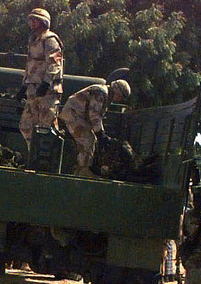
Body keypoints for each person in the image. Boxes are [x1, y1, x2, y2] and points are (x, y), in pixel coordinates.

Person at [58, 80, 130, 175]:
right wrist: (100, 134)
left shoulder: (105, 95)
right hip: (73, 115)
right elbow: (94, 115)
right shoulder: (101, 93)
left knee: (92, 140)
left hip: (79, 116)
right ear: (117, 91)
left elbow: (96, 116)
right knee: (88, 140)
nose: (119, 99)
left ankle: (82, 168)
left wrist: (101, 134)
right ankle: (83, 170)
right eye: (120, 96)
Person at [17, 7, 64, 148]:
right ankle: (34, 154)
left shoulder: (50, 39)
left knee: (48, 128)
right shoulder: (33, 40)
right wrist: (24, 86)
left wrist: (46, 83)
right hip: (33, 89)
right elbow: (30, 65)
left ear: (43, 22)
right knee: (25, 125)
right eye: (31, 20)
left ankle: (50, 159)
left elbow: (56, 63)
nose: (31, 23)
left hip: (47, 91)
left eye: (35, 20)